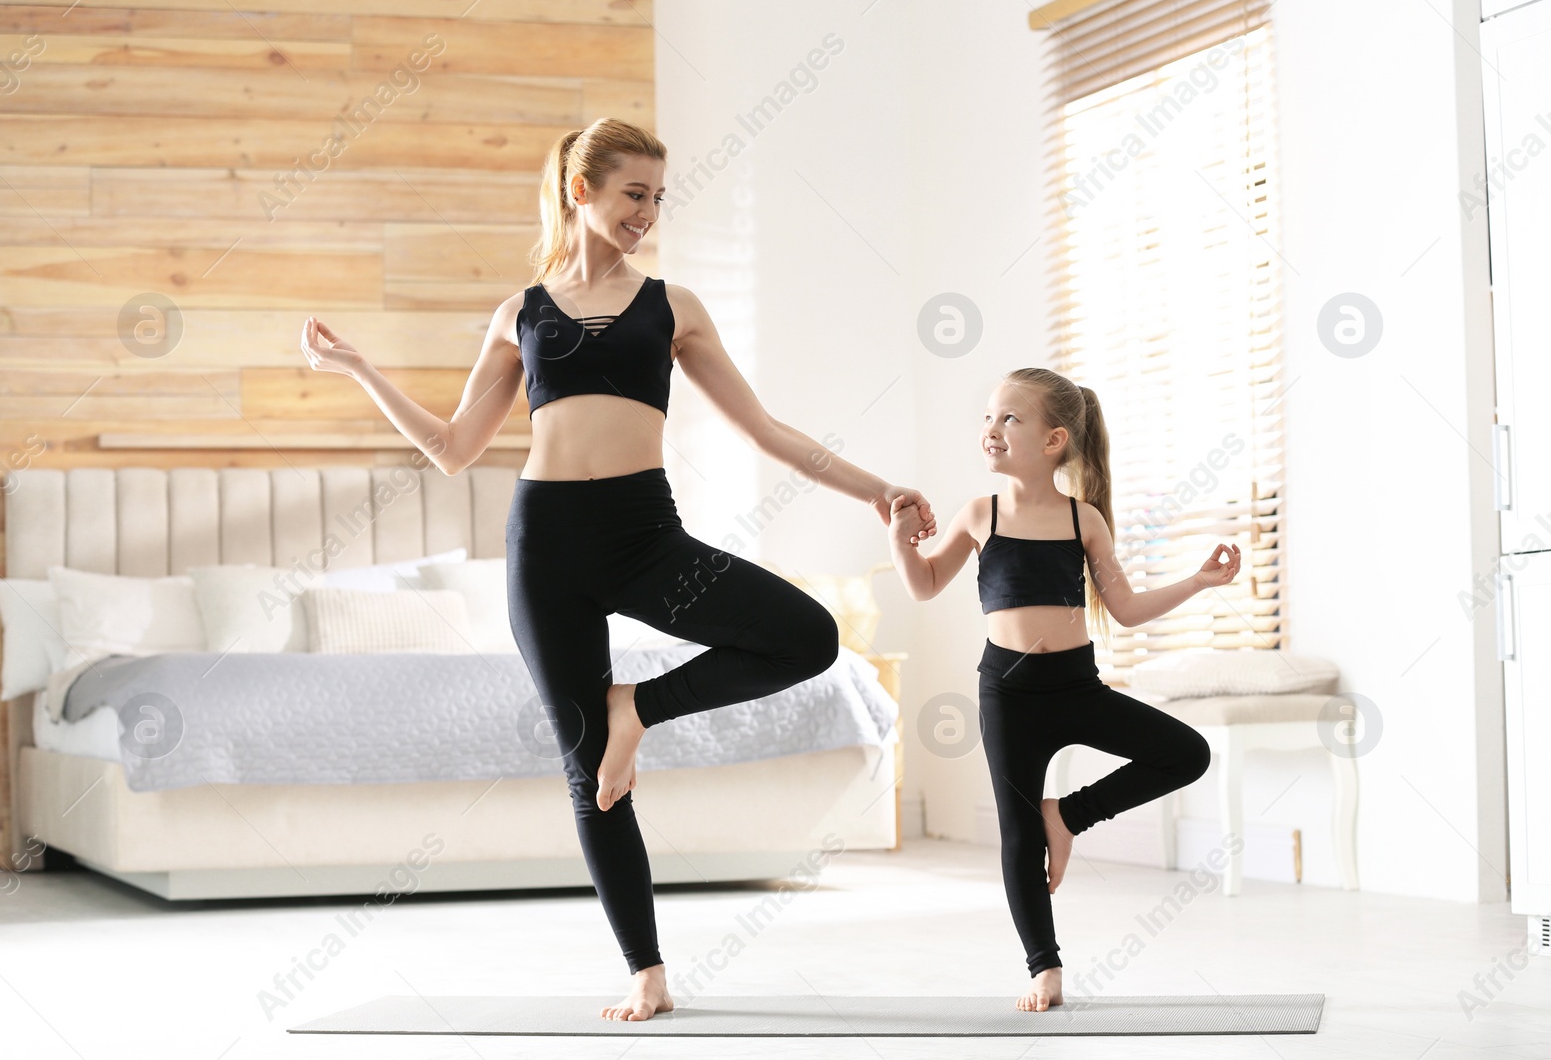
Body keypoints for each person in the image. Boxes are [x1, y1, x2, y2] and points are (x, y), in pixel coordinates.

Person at [298, 117, 937, 1022]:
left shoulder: (672, 307)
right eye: (633, 193)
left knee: (808, 636)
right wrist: (360, 367)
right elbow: (451, 446)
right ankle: (647, 970)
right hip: (545, 547)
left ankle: (639, 704)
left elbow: (765, 430)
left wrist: (877, 490)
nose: (647, 213)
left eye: (657, 198)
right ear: (581, 191)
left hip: (647, 540)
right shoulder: (521, 313)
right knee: (587, 765)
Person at [886, 367, 1238, 1012]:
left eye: (1008, 419)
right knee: (1018, 836)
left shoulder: (1085, 521)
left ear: (1052, 441)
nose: (991, 428)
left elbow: (1125, 608)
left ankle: (1068, 815)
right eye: (988, 416)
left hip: (1077, 686)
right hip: (1008, 695)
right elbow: (925, 584)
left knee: (1186, 753)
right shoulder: (979, 513)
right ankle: (1044, 968)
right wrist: (901, 541)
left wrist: (1196, 582)